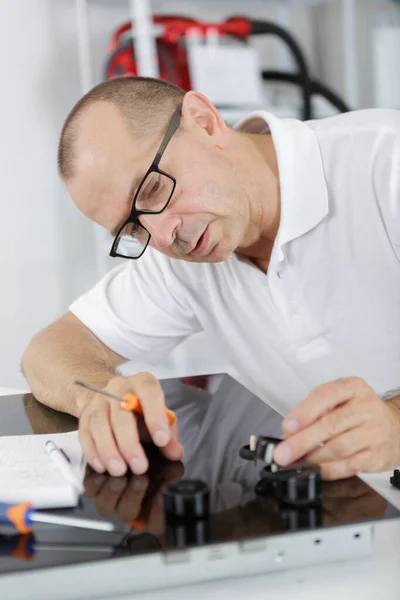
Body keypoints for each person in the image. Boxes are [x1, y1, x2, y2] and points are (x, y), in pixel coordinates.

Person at [22, 76, 400, 482]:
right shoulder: (180, 260)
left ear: (204, 121)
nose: (164, 235)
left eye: (151, 189)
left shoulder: (386, 163)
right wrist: (97, 395)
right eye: (133, 229)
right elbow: (48, 350)